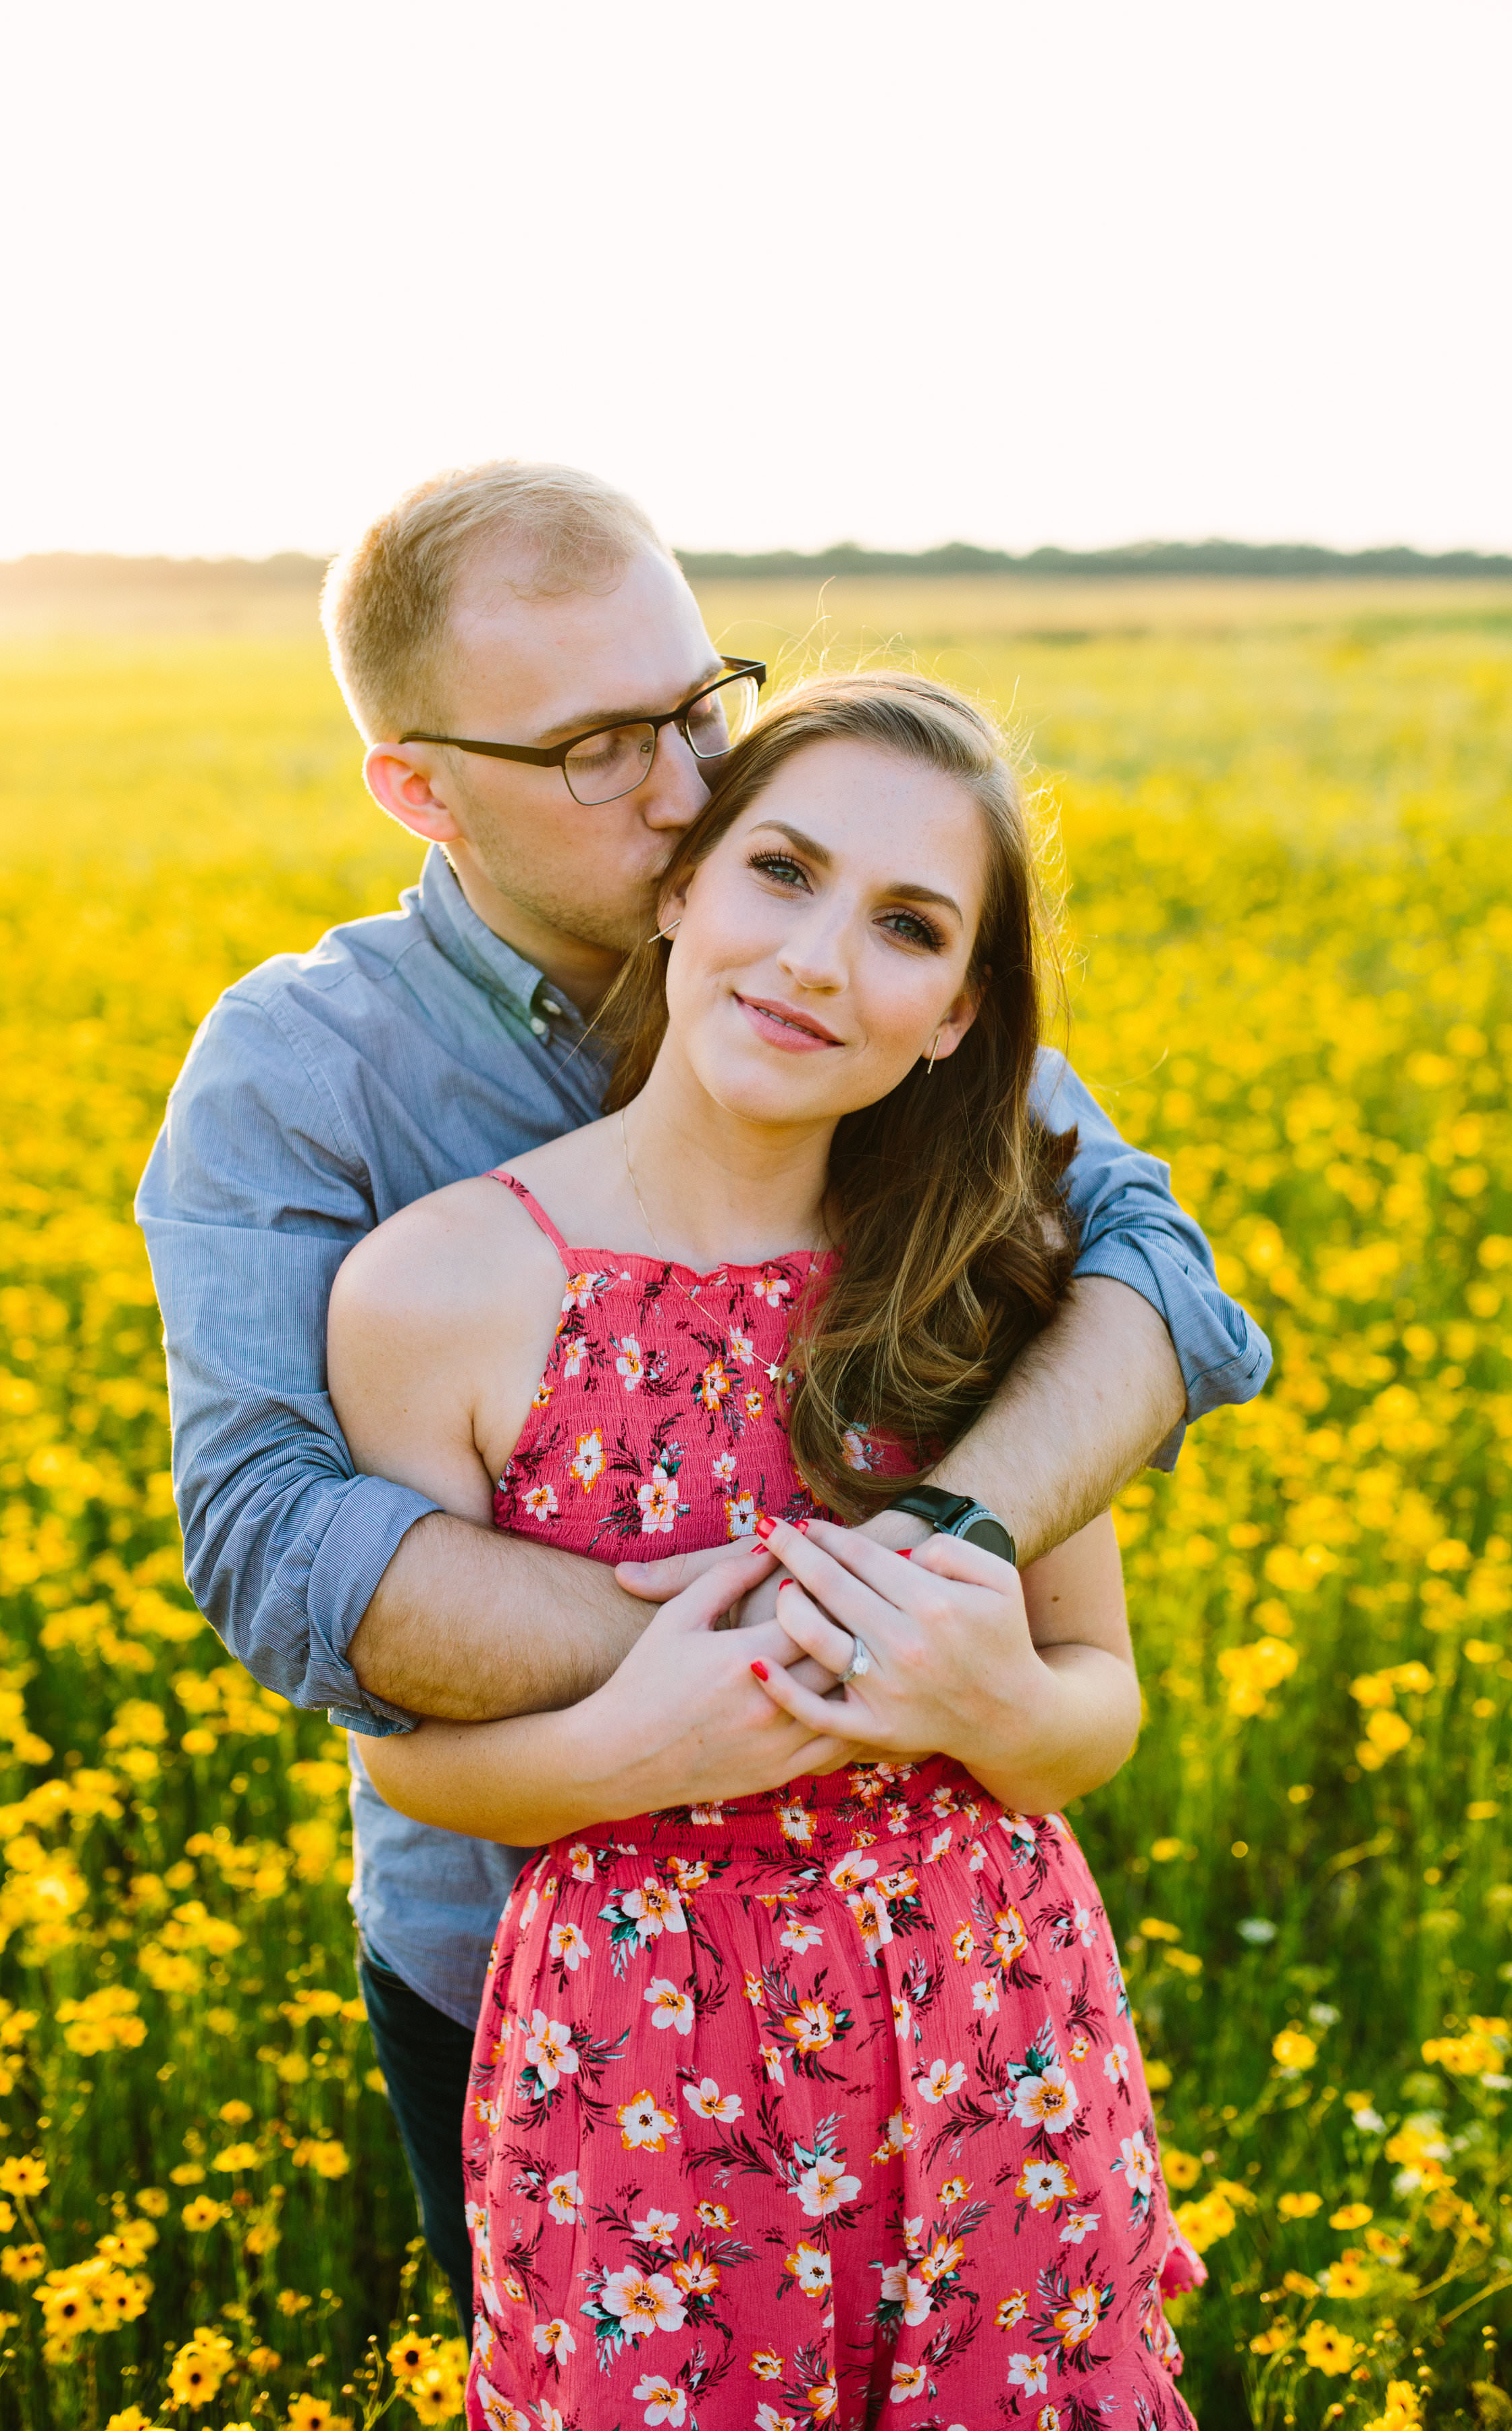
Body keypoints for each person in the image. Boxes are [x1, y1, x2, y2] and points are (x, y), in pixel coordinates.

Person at [135, 461, 1270, 2341]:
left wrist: (937, 1564)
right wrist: (761, 1673)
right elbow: (281, 1547)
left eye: (696, 706)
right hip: (521, 1963)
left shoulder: (857, 996)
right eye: (598, 749)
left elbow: (1156, 1276)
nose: (687, 786)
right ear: (420, 788)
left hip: (940, 1984)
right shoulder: (303, 1079)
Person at [329, 669, 1202, 2426]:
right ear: (679, 889)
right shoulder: (441, 1287)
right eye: (781, 872)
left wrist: (991, 1708)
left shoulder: (999, 1278)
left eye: (907, 927)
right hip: (647, 2061)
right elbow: (405, 1757)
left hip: (996, 2029)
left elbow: (1097, 1705)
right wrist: (627, 1753)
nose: (816, 960)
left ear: (960, 1013)